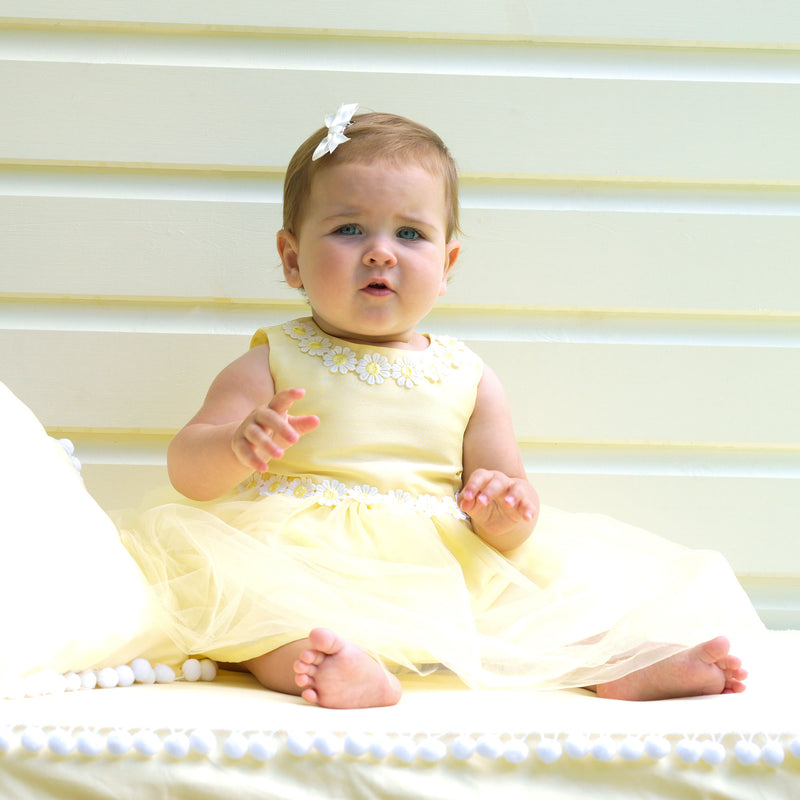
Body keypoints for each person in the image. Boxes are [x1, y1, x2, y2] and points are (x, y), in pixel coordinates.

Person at [119, 104, 764, 709]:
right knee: (261, 609)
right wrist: (235, 445)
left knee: (535, 611)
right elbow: (188, 472)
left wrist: (501, 510)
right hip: (299, 553)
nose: (380, 251)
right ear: (291, 258)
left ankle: (616, 667)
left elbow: (511, 507)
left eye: (410, 233)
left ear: (447, 262)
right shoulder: (274, 360)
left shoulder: (468, 377)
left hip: (436, 562)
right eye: (349, 229)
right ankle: (325, 665)